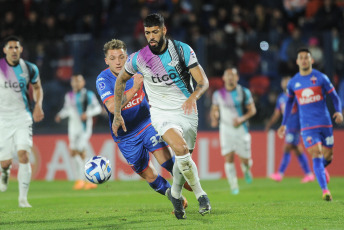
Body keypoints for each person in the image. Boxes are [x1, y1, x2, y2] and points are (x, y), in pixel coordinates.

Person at [111, 13, 211, 219]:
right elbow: (120, 81)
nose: (151, 37)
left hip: (187, 110)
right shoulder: (139, 58)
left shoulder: (182, 50)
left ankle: (175, 194)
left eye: (155, 32)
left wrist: (193, 97)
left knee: (184, 161)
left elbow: (203, 82)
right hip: (160, 113)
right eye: (148, 33)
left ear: (164, 30)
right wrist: (117, 114)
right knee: (181, 149)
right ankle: (202, 196)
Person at [96, 39, 188, 213]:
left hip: (147, 123)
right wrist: (135, 87)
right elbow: (111, 107)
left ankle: (197, 191)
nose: (118, 61)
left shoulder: (137, 67)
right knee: (149, 175)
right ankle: (173, 195)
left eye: (121, 57)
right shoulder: (103, 79)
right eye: (113, 58)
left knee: (168, 163)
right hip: (126, 136)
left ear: (127, 57)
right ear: (106, 61)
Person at [277, 48, 343, 201]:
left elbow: (335, 97)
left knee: (328, 156)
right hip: (307, 126)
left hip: (325, 123)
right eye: (301, 58)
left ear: (311, 60)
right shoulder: (293, 82)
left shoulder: (321, 78)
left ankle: (320, 170)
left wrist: (338, 111)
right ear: (297, 61)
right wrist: (283, 124)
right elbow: (288, 104)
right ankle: (325, 190)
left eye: (306, 57)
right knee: (317, 154)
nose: (304, 60)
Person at [0, 35, 44, 207]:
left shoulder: (29, 68)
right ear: (4, 50)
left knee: (23, 154)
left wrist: (38, 105)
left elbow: (38, 87)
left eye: (16, 47)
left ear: (21, 49)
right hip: (2, 119)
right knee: (5, 161)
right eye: (10, 47)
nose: (13, 50)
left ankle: (23, 199)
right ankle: (4, 171)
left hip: (22, 116)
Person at [210, 68, 256, 195]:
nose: (230, 78)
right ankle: (233, 185)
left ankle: (246, 169)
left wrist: (241, 119)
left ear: (237, 78)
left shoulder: (244, 92)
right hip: (225, 129)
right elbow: (215, 109)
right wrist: (214, 116)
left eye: (233, 75)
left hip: (241, 129)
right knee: (228, 157)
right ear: (223, 78)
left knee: (245, 160)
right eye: (228, 75)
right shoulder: (218, 94)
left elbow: (252, 110)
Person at [55, 74, 102, 190]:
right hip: (73, 128)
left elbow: (98, 108)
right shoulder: (69, 96)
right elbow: (67, 109)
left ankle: (89, 180)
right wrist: (60, 115)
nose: (76, 84)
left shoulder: (88, 95)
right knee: (73, 153)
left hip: (84, 127)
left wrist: (88, 114)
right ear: (71, 83)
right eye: (74, 82)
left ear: (83, 82)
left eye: (78, 81)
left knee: (82, 152)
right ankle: (80, 180)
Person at [266, 75, 314, 183]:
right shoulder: (281, 98)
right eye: (284, 81)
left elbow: (304, 109)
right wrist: (270, 124)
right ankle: (309, 174)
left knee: (287, 147)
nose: (285, 83)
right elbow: (277, 113)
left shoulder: (296, 96)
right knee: (297, 150)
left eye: (287, 81)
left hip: (295, 125)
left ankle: (280, 173)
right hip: (288, 126)